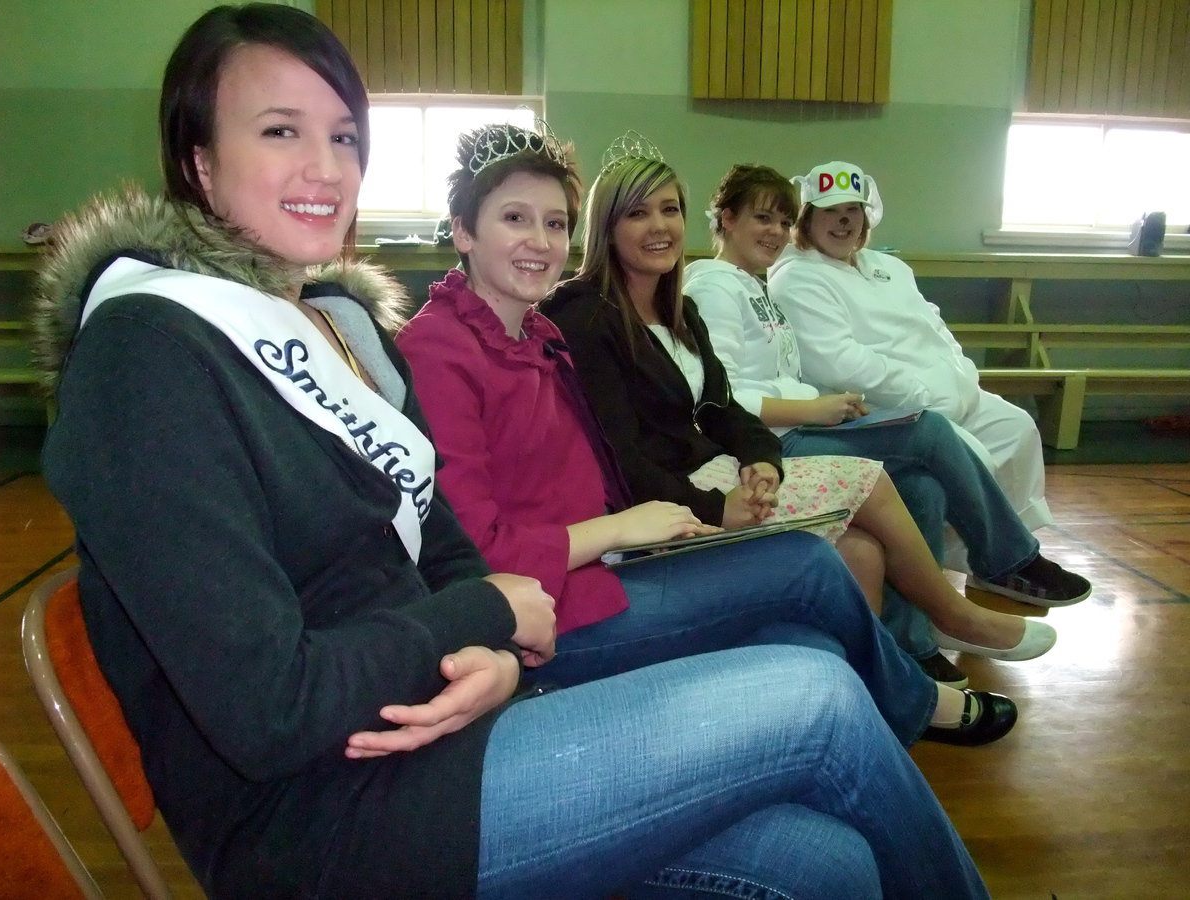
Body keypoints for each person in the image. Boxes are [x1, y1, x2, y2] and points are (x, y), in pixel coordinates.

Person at [30, 6, 995, 898]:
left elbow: (435, 536)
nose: (324, 167)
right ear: (199, 161)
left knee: (826, 864)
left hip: (452, 720)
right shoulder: (147, 355)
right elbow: (270, 706)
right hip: (327, 816)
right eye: (279, 130)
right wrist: (482, 613)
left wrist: (487, 644)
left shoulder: (328, 326)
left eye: (344, 137)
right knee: (819, 698)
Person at [395, 122, 1018, 738]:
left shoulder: (538, 334)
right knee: (807, 565)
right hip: (554, 609)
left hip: (612, 557)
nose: (539, 241)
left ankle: (865, 728)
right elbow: (473, 548)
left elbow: (671, 428)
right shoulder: (444, 349)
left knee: (812, 629)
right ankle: (919, 693)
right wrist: (637, 523)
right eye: (514, 218)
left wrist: (721, 480)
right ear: (463, 231)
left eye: (554, 222)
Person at [542, 134, 1057, 674]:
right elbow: (618, 457)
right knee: (876, 474)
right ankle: (956, 615)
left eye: (669, 210)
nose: (659, 226)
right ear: (606, 227)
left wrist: (761, 458)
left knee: (865, 549)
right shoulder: (590, 317)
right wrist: (719, 507)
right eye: (637, 213)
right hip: (669, 503)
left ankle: (881, 680)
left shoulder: (678, 313)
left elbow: (721, 407)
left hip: (720, 472)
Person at [684, 164, 1092, 684]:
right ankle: (1005, 560)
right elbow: (720, 395)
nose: (775, 232)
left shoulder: (752, 284)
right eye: (763, 218)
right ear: (727, 219)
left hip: (798, 424)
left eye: (782, 221)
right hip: (771, 442)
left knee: (919, 487)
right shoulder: (716, 286)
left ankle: (910, 642)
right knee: (928, 432)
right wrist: (814, 409)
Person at [767, 160, 1065, 609]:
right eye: (830, 211)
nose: (844, 220)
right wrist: (927, 394)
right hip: (890, 406)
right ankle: (999, 559)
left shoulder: (888, 267)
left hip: (948, 391)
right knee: (972, 456)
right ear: (807, 219)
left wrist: (962, 377)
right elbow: (839, 364)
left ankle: (993, 561)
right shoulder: (798, 277)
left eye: (854, 209)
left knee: (1017, 427)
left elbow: (935, 325)